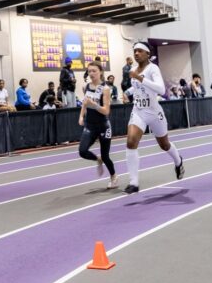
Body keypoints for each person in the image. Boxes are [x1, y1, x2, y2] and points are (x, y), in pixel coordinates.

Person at [122, 42, 184, 194]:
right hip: (138, 111)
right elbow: (136, 86)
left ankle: (178, 161)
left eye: (140, 51)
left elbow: (161, 89)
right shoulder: (133, 69)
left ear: (147, 54)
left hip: (154, 113)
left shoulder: (153, 68)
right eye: (134, 51)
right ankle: (134, 182)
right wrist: (127, 93)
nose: (136, 53)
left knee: (164, 144)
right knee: (131, 142)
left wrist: (140, 78)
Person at [77, 61, 117, 189]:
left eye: (94, 71)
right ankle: (97, 159)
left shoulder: (105, 89)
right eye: (89, 71)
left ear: (100, 72)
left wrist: (94, 105)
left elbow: (106, 111)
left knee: (106, 155)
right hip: (90, 124)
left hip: (103, 125)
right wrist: (81, 115)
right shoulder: (85, 87)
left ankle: (113, 176)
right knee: (82, 151)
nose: (92, 73)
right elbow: (85, 102)